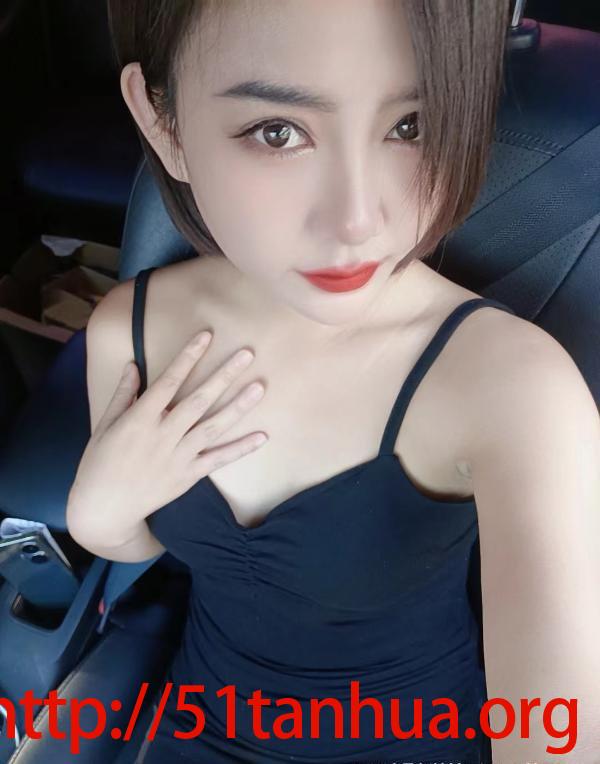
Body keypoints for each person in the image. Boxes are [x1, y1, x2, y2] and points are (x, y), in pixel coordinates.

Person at [66, 1, 600, 762]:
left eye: (411, 125)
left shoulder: (514, 388)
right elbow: (133, 541)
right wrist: (96, 513)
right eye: (277, 132)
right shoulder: (132, 331)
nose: (357, 221)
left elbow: (558, 729)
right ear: (163, 123)